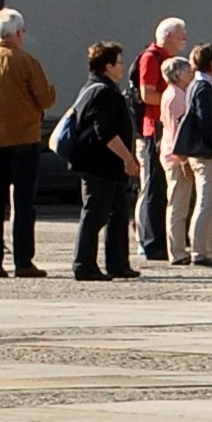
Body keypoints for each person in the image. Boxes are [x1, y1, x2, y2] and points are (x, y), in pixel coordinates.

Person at [0, 11, 57, 277]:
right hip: (24, 139)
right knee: (23, 202)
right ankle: (23, 261)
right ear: (18, 32)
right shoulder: (26, 60)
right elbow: (45, 98)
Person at [63, 42, 140, 280]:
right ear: (108, 66)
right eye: (119, 62)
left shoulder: (103, 88)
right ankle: (84, 265)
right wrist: (128, 158)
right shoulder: (101, 91)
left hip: (111, 166)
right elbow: (104, 131)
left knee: (118, 214)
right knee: (94, 214)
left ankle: (118, 264)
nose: (123, 66)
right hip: (99, 165)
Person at [171, 42, 212, 265]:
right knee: (206, 204)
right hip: (208, 154)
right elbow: (206, 121)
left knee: (207, 203)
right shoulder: (204, 87)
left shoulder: (196, 86)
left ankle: (209, 250)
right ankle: (200, 252)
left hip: (203, 153)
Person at [134, 19, 190, 263]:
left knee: (164, 189)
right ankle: (151, 242)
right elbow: (147, 94)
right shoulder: (151, 57)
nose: (184, 40)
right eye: (181, 36)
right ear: (167, 37)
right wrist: (175, 97)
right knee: (154, 188)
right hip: (155, 128)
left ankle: (162, 240)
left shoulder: (165, 59)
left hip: (162, 127)